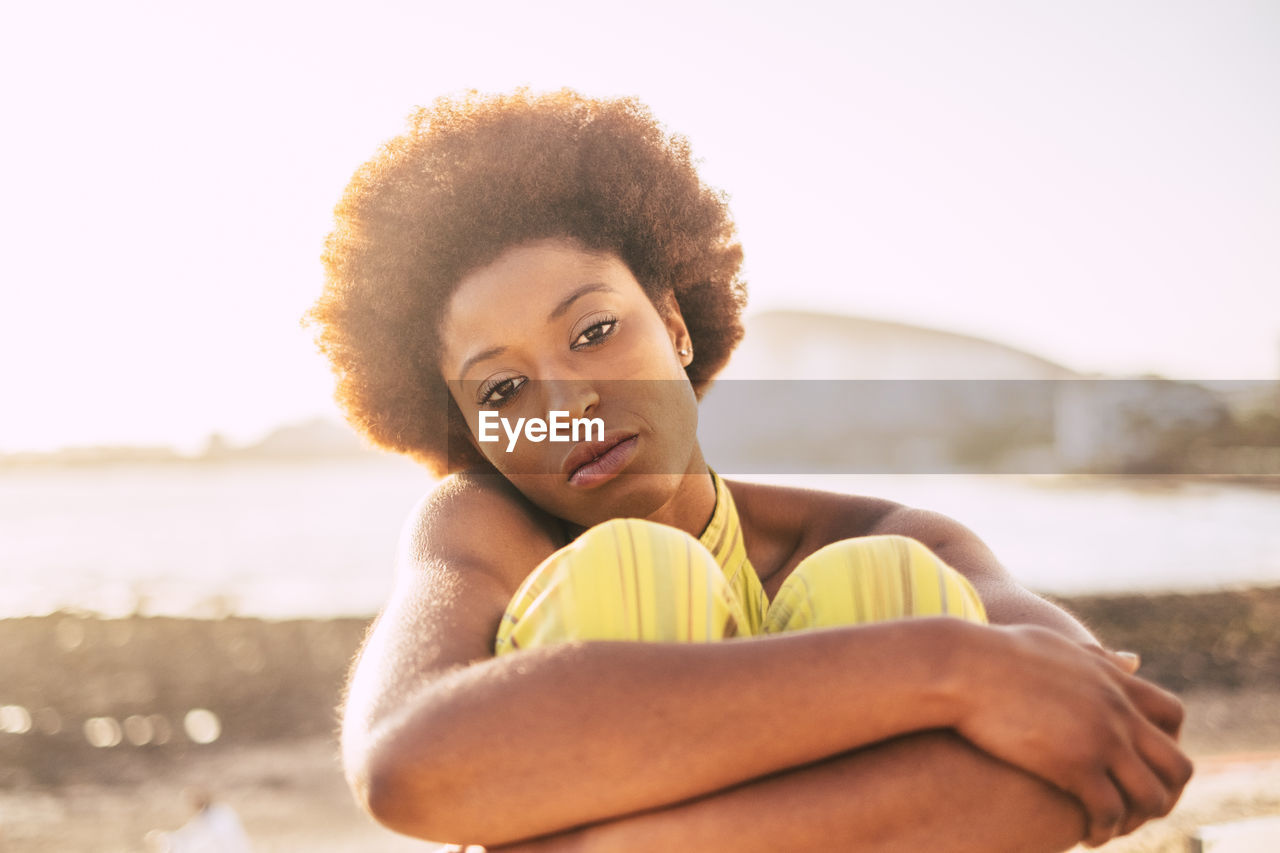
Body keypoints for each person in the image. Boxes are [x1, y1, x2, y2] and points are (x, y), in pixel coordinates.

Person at [307, 89, 1192, 852]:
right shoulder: (481, 532)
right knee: (635, 575)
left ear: (676, 324)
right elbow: (407, 762)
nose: (568, 402)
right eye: (501, 387)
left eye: (594, 331)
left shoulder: (893, 537)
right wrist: (947, 667)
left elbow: (1108, 744)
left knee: (880, 584)